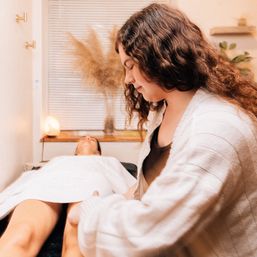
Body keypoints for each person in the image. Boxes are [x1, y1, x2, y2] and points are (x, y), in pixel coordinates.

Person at [71, 3, 257, 257]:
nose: (127, 79)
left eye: (130, 65)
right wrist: (114, 200)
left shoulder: (215, 131)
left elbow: (148, 233)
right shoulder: (162, 110)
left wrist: (91, 209)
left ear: (156, 56)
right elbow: (153, 189)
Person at [0, 136, 135, 257]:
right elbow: (32, 178)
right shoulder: (58, 160)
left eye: (92, 139)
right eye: (83, 138)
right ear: (75, 151)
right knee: (22, 234)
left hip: (92, 183)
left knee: (76, 244)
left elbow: (131, 186)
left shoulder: (109, 161)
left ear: (99, 153)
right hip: (48, 183)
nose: (87, 138)